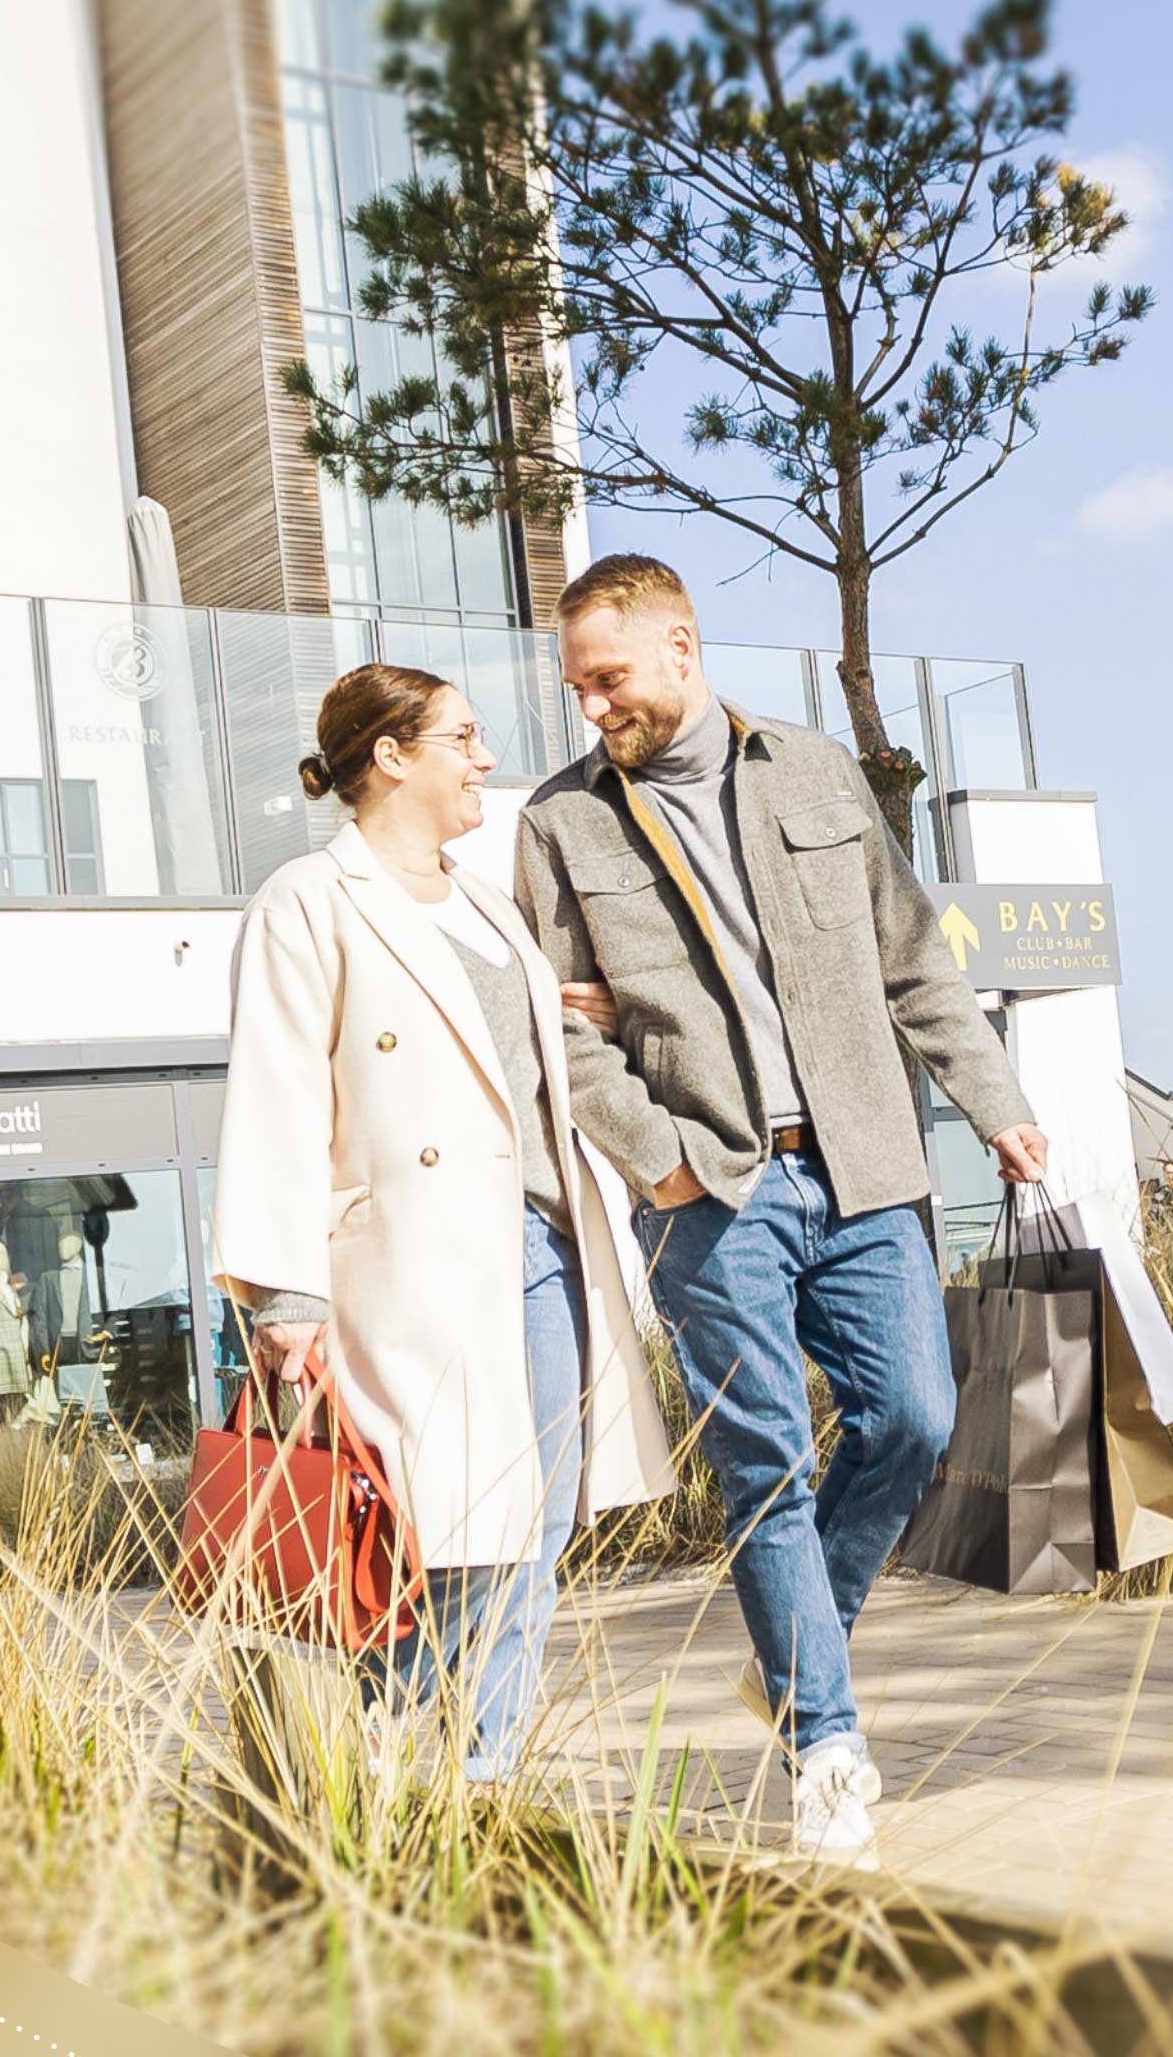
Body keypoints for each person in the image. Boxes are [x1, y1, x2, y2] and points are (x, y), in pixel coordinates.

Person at [512, 554, 1049, 1862]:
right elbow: (559, 1029)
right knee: (760, 1462)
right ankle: (829, 1749)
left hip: (866, 1171)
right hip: (708, 1194)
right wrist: (658, 1157)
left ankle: (799, 1660)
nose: (594, 706)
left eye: (611, 677)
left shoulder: (814, 773)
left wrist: (997, 1106)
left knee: (914, 1420)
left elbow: (916, 965)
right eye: (579, 686)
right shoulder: (559, 823)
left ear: (682, 648)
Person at [209, 662, 679, 1784]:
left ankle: (474, 1774)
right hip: (409, 1260)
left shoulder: (484, 903)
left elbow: (494, 1056)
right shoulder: (307, 900)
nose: (484, 761)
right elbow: (274, 1090)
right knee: (443, 1532)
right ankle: (393, 1755)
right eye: (462, 739)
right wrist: (282, 1295)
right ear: (391, 756)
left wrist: (573, 1007)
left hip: (543, 1245)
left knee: (536, 1525)